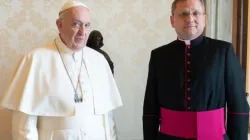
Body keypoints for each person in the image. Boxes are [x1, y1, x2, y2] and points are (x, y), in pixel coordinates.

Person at [0, 1, 122, 140]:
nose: (83, 32)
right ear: (59, 25)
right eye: (76, 24)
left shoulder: (99, 60)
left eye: (87, 25)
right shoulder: (35, 59)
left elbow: (107, 118)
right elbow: (23, 126)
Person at [142, 0, 249, 140]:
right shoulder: (159, 55)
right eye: (183, 14)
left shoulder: (223, 51)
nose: (190, 18)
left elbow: (238, 106)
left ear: (204, 19)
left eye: (196, 13)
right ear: (172, 20)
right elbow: (150, 108)